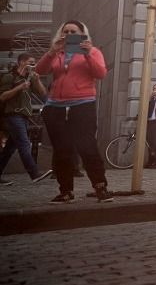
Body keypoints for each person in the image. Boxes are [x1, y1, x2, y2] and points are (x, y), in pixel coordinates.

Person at [35, 20, 114, 204]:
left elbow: (100, 73)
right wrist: (51, 51)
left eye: (73, 31)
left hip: (82, 104)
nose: (68, 34)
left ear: (82, 33)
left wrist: (87, 54)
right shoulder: (57, 53)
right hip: (56, 106)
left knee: (87, 146)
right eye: (66, 31)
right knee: (62, 150)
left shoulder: (93, 52)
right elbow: (40, 70)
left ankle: (100, 187)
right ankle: (66, 191)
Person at [0, 54, 52, 185]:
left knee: (10, 148)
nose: (33, 65)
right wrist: (19, 87)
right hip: (12, 115)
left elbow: (42, 93)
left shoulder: (30, 78)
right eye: (30, 62)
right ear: (22, 62)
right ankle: (34, 174)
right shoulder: (9, 77)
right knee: (24, 144)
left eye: (34, 63)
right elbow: (3, 96)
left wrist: (38, 80)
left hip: (24, 116)